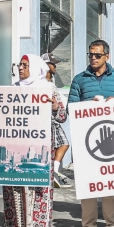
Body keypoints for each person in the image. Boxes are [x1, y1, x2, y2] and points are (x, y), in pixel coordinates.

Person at [0, 54, 65, 227]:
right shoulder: (13, 90)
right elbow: (1, 112)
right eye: (19, 65)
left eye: (25, 65)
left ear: (35, 67)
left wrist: (54, 107)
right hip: (16, 148)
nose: (20, 68)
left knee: (40, 191)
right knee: (13, 188)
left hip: (40, 151)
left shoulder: (48, 90)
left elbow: (62, 117)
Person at [69, 40, 114, 227]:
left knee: (110, 184)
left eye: (97, 55)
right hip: (86, 141)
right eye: (91, 55)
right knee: (87, 184)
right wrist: (87, 105)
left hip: (112, 142)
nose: (93, 58)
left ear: (107, 56)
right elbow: (71, 108)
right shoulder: (79, 79)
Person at [42, 53, 72, 187]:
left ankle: (53, 170)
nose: (55, 66)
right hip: (46, 121)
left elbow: (58, 107)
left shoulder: (52, 83)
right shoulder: (41, 83)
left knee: (62, 145)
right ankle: (52, 172)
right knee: (60, 145)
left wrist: (58, 109)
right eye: (52, 64)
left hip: (53, 119)